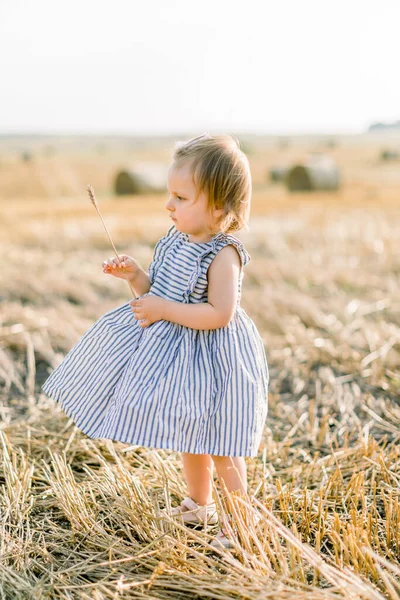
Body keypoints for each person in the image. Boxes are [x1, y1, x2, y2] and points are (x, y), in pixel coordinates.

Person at [41, 133, 269, 550]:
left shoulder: (224, 254)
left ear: (218, 206)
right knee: (190, 433)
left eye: (181, 198)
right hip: (183, 356)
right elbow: (159, 292)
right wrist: (136, 279)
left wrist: (163, 309)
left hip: (215, 360)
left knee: (220, 444)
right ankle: (199, 504)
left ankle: (240, 526)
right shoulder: (175, 241)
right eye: (170, 194)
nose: (169, 205)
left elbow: (220, 313)